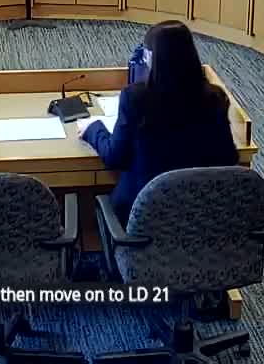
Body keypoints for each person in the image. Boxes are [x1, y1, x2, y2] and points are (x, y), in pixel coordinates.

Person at [78, 21, 238, 222]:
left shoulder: (136, 98)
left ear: (152, 57)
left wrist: (93, 129)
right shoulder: (215, 98)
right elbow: (229, 158)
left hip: (144, 218)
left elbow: (115, 157)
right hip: (202, 216)